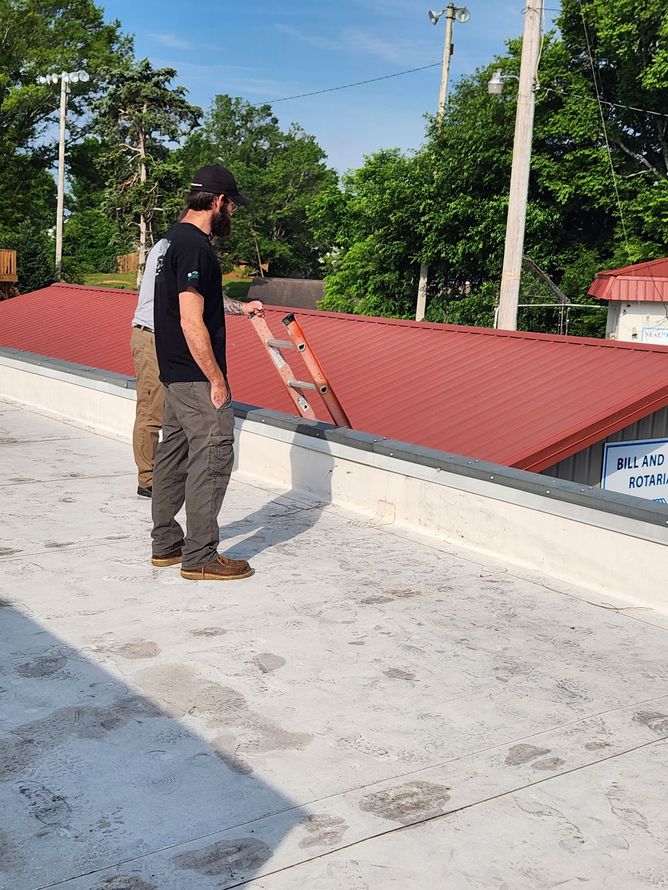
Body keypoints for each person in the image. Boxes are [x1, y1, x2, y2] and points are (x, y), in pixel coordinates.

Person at [150, 165, 263, 581]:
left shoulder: (170, 243)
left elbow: (198, 301)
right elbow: (191, 320)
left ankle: (166, 544)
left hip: (173, 373)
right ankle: (200, 556)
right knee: (212, 456)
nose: (232, 212)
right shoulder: (196, 246)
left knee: (173, 455)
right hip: (197, 376)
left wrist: (240, 307)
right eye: (231, 204)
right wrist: (217, 379)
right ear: (218, 201)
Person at [130, 240, 167, 498]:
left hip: (166, 338)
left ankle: (162, 472)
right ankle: (147, 479)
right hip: (151, 336)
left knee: (168, 408)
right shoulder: (168, 246)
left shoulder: (177, 244)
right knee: (151, 409)